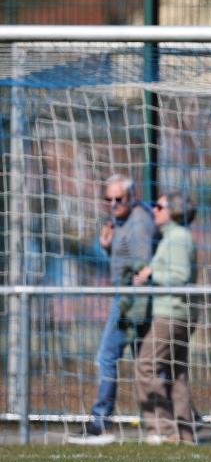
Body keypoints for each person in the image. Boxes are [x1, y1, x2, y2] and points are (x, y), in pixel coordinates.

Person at [69, 174, 155, 444]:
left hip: (132, 300)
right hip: (128, 297)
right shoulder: (122, 222)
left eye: (119, 199)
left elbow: (141, 267)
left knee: (107, 357)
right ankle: (177, 421)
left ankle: (100, 422)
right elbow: (125, 260)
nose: (113, 204)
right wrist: (107, 247)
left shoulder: (138, 222)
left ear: (132, 197)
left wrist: (131, 304)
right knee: (149, 364)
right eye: (109, 199)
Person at [134, 192, 199, 445]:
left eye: (159, 207)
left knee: (145, 365)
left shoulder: (178, 237)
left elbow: (179, 277)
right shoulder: (172, 237)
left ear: (173, 211)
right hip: (175, 313)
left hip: (172, 314)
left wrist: (151, 274)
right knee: (176, 374)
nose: (154, 210)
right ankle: (184, 435)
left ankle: (162, 428)